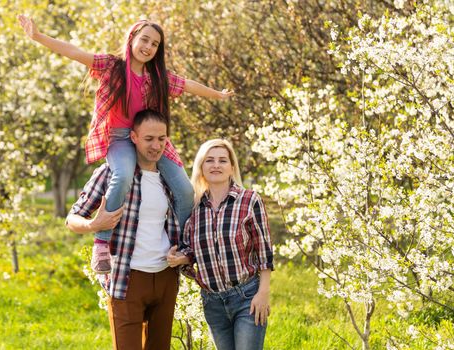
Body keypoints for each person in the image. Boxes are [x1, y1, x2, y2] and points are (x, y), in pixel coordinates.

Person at [17, 15, 234, 273]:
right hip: (120, 137)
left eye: (154, 44)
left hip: (150, 139)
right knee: (121, 176)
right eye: (144, 39)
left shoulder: (158, 77)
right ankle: (102, 242)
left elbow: (187, 85)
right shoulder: (112, 66)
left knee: (185, 189)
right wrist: (38, 36)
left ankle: (184, 247)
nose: (148, 47)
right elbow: (75, 52)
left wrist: (217, 94)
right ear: (132, 39)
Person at [66, 109, 181, 350]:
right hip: (127, 279)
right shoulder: (112, 174)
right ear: (133, 137)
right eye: (149, 139)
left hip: (165, 276)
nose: (156, 145)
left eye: (162, 139)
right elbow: (72, 218)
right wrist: (94, 225)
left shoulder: (171, 178)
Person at [167, 139, 273, 350]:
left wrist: (263, 293)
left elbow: (264, 250)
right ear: (201, 167)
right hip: (212, 303)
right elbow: (191, 249)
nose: (216, 165)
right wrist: (182, 257)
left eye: (222, 160)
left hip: (247, 298)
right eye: (210, 160)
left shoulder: (249, 200)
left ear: (232, 167)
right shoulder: (194, 209)